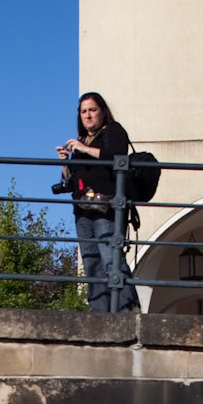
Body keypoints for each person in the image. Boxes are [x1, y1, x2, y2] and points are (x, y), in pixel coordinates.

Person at [57, 92, 139, 312]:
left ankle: (126, 308)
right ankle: (100, 313)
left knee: (110, 257)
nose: (88, 116)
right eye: (83, 112)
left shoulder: (113, 131)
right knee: (91, 261)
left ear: (102, 111)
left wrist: (83, 149)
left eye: (92, 110)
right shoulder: (82, 140)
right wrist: (65, 163)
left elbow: (116, 157)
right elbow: (71, 181)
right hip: (82, 208)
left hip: (106, 207)